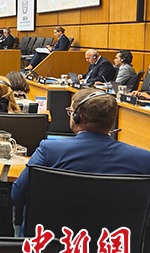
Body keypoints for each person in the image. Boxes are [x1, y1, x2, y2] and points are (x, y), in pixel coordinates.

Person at [11, 89, 150, 216]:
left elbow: (18, 195)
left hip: (54, 234)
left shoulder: (49, 150)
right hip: (114, 235)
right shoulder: (144, 159)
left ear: (78, 118)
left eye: (71, 112)